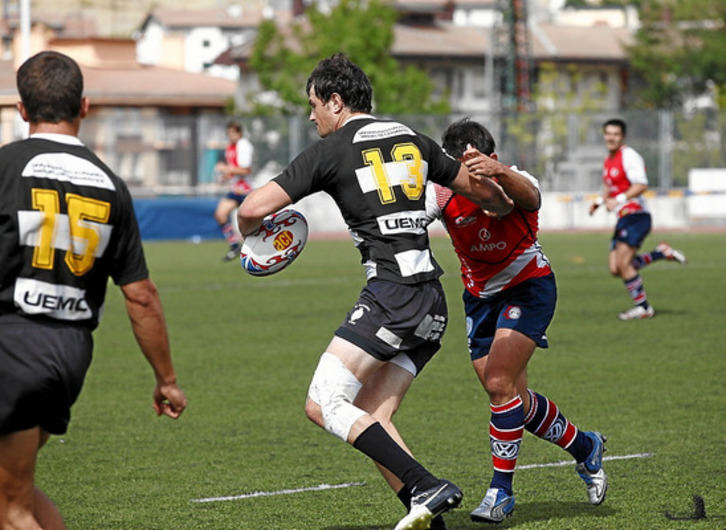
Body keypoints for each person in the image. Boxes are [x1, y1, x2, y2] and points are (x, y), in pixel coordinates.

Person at [238, 54, 514, 530]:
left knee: (323, 402)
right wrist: (506, 197)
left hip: (392, 296)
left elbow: (250, 208)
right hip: (431, 301)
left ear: (336, 101)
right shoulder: (414, 138)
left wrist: (255, 237)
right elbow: (489, 196)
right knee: (371, 414)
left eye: (313, 105)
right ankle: (426, 512)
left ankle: (426, 485)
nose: (311, 117)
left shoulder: (329, 151)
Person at [0, 51, 187, 529]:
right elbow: (141, 295)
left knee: (10, 509)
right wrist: (165, 378)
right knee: (14, 488)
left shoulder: (5, 167)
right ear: (84, 106)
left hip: (12, 345)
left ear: (21, 109)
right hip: (69, 353)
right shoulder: (110, 184)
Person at [424, 118, 608, 523]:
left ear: (492, 157)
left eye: (479, 164)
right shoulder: (440, 192)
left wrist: (499, 172)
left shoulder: (516, 178)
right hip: (479, 300)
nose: (472, 177)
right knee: (512, 401)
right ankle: (586, 447)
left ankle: (500, 493)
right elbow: (411, 220)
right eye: (462, 169)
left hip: (528, 288)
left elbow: (532, 198)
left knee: (497, 384)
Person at [589, 118, 687, 320]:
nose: (611, 137)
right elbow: (609, 187)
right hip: (624, 218)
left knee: (624, 264)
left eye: (615, 134)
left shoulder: (629, 156)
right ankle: (661, 253)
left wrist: (618, 199)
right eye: (608, 133)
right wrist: (599, 202)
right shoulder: (608, 160)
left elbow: (641, 185)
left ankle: (643, 308)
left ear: (622, 137)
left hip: (636, 216)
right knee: (616, 268)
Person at [214, 120, 255, 261]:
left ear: (239, 133)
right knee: (220, 215)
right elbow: (235, 170)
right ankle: (234, 246)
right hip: (235, 189)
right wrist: (226, 176)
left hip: (246, 190)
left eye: (233, 133)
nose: (230, 136)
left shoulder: (243, 146)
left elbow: (246, 170)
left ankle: (259, 246)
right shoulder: (231, 147)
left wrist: (226, 169)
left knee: (251, 223)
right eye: (229, 133)